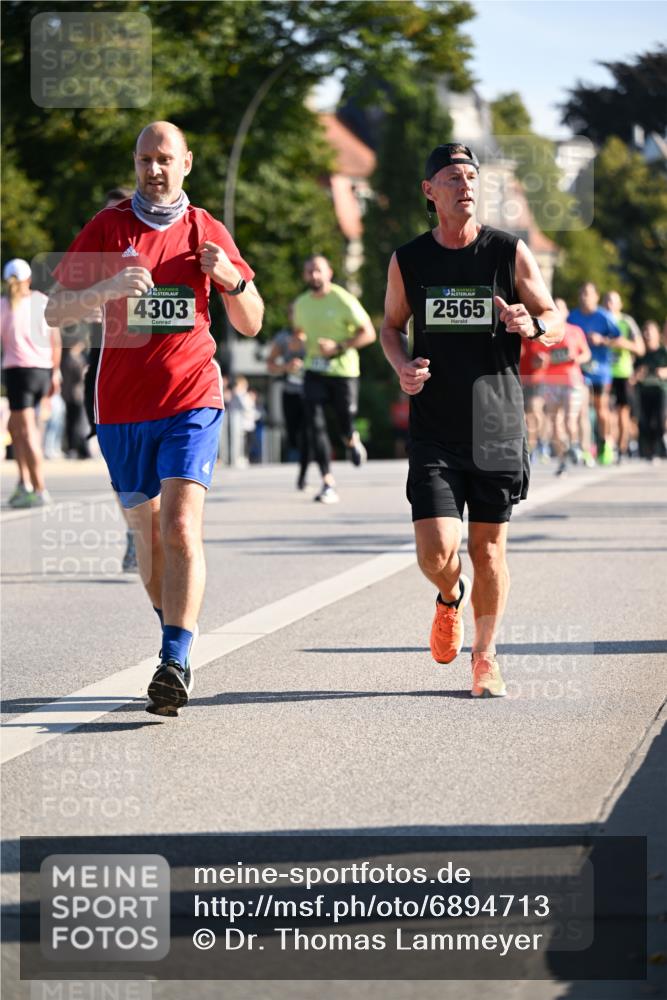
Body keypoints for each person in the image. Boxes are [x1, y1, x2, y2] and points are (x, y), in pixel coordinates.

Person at [46, 121, 263, 715]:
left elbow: (251, 321)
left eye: (165, 159)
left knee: (180, 526)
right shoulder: (108, 227)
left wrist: (231, 279)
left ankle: (174, 659)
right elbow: (54, 311)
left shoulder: (206, 229)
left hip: (192, 396)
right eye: (145, 159)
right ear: (136, 163)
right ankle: (173, 625)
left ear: (186, 163)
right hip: (121, 406)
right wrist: (108, 288)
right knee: (147, 538)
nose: (154, 169)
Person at [380, 142, 562, 698]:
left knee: (487, 550)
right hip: (435, 425)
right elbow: (390, 327)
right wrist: (402, 365)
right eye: (453, 177)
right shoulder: (409, 259)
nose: (465, 186)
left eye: (471, 177)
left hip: (496, 421)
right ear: (429, 191)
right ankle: (449, 595)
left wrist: (531, 325)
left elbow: (552, 317)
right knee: (436, 552)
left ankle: (485, 658)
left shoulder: (507, 251)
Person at [82, 187, 138, 570]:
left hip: (144, 368)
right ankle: (135, 531)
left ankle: (155, 526)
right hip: (102, 368)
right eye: (106, 215)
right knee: (120, 464)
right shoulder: (88, 262)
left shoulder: (149, 256)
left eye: (119, 213)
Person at [293, 254, 376, 504]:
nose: (314, 275)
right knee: (315, 425)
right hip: (314, 371)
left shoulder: (343, 299)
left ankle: (351, 439)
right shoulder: (301, 304)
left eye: (318, 270)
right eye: (309, 271)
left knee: (344, 420)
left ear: (329, 272)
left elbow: (369, 333)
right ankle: (327, 481)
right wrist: (298, 342)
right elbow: (299, 333)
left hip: (343, 371)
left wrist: (338, 347)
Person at [1, 258, 61, 507]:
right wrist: (55, 372)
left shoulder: (4, 305)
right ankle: (23, 483)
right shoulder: (42, 301)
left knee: (28, 433)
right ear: (29, 279)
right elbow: (55, 340)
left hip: (20, 373)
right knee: (15, 427)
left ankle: (39, 489)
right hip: (43, 372)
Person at [567, 283, 620, 465]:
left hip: (601, 370)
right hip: (580, 369)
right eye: (581, 293)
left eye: (588, 294)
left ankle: (605, 444)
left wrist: (602, 340)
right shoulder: (572, 316)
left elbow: (619, 339)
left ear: (597, 297)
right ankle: (586, 448)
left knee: (601, 410)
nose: (584, 297)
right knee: (582, 410)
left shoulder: (604, 316)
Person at [541, 298, 591, 474]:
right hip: (552, 382)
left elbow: (586, 354)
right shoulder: (545, 332)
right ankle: (563, 459)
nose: (557, 311)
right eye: (554, 308)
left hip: (572, 381)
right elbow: (540, 357)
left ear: (567, 312)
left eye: (560, 308)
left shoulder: (575, 331)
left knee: (570, 419)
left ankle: (575, 445)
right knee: (555, 423)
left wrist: (576, 358)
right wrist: (542, 360)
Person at [266, 323, 311, 488]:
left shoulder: (313, 331)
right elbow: (270, 364)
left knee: (309, 434)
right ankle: (299, 456)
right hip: (290, 392)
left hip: (311, 392)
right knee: (293, 435)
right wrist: (286, 367)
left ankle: (304, 474)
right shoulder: (283, 337)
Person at [602, 290, 644, 462]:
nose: (609, 305)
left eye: (613, 301)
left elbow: (640, 348)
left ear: (620, 305)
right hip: (603, 373)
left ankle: (622, 448)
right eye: (606, 301)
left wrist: (621, 343)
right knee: (606, 411)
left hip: (623, 373)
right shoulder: (600, 321)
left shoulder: (627, 322)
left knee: (622, 413)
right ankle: (608, 446)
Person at [635, 320, 667, 462]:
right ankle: (648, 451)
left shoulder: (663, 352)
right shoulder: (641, 354)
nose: (647, 334)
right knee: (645, 421)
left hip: (660, 391)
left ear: (658, 334)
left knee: (660, 420)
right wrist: (637, 375)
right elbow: (633, 375)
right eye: (645, 331)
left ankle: (660, 449)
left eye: (650, 331)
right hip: (644, 392)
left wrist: (664, 372)